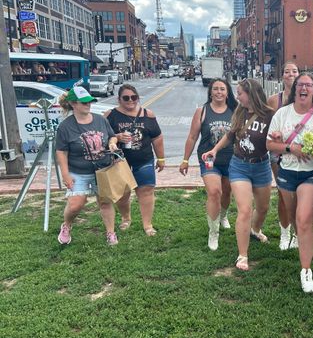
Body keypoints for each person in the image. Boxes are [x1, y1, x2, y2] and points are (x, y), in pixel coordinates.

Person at [202, 79, 274, 271]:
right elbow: (230, 135)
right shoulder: (240, 112)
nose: (237, 96)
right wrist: (215, 150)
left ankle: (255, 230)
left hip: (261, 166)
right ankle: (242, 255)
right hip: (239, 165)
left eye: (240, 92)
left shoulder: (269, 115)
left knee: (264, 207)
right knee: (245, 210)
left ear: (250, 94)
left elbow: (276, 139)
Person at [267, 72, 313, 293]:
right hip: (287, 172)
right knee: (293, 216)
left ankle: (306, 270)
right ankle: (293, 236)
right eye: (300, 85)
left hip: (312, 173)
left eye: (308, 85)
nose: (304, 88)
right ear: (295, 90)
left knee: (303, 219)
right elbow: (269, 145)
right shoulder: (282, 113)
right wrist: (291, 147)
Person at [55, 86, 119, 245]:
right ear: (73, 104)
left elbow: (112, 137)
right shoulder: (65, 127)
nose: (88, 105)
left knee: (105, 202)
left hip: (102, 170)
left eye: (89, 101)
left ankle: (110, 233)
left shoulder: (101, 120)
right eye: (83, 102)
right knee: (76, 204)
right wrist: (65, 174)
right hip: (78, 171)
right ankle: (67, 225)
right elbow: (61, 152)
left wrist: (112, 143)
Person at [180, 79, 237, 250]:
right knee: (214, 192)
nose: (219, 92)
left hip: (231, 159)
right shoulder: (202, 111)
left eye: (222, 89)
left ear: (228, 92)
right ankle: (214, 233)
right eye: (216, 89)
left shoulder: (235, 111)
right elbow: (192, 137)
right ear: (210, 92)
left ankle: (223, 215)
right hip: (209, 160)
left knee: (227, 192)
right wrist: (185, 160)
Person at [104, 84, 165, 237]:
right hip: (119, 161)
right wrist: (117, 137)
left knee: (146, 190)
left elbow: (157, 137)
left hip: (143, 158)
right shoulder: (110, 115)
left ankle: (147, 224)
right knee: (123, 193)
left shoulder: (147, 114)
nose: (130, 100)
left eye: (134, 97)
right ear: (119, 99)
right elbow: (103, 137)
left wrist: (161, 158)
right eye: (126, 98)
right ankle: (126, 218)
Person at [267, 62, 299, 250]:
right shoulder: (273, 100)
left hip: (299, 155)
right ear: (282, 76)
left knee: (298, 195)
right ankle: (284, 232)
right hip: (278, 154)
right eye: (287, 71)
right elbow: (266, 124)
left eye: (294, 71)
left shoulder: (306, 98)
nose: (290, 74)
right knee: (283, 194)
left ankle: (296, 233)